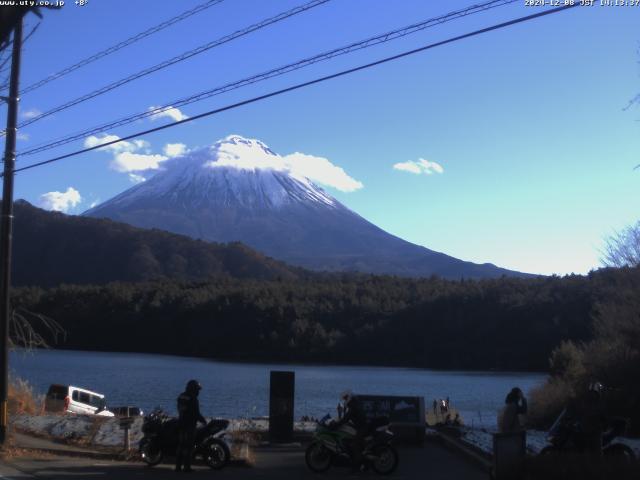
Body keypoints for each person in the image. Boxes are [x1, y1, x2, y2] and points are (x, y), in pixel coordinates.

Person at [175, 379, 206, 473]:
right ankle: (187, 467)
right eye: (197, 389)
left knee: (181, 445)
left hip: (181, 423)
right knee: (189, 446)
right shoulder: (193, 399)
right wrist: (203, 420)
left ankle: (178, 466)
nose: (198, 392)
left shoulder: (181, 396)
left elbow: (179, 409)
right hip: (189, 425)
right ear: (193, 389)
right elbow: (196, 413)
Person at [333, 390, 368, 472]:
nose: (345, 400)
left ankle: (358, 465)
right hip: (360, 426)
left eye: (345, 399)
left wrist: (336, 425)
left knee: (354, 445)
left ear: (348, 398)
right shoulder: (354, 403)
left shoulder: (353, 407)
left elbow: (345, 419)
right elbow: (347, 418)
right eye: (344, 399)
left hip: (362, 428)